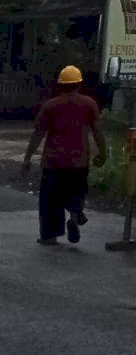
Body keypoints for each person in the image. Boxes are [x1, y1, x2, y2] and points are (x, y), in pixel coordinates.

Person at [22, 65, 107, 246]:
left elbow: (37, 134)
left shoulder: (50, 106)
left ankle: (49, 236)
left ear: (60, 85)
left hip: (53, 162)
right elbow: (98, 131)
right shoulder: (89, 104)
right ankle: (74, 217)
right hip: (79, 161)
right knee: (76, 192)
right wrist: (103, 153)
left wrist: (27, 158)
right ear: (79, 84)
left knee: (50, 200)